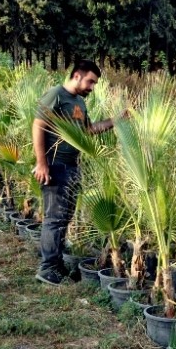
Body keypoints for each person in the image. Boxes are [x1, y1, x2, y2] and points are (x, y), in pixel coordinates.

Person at [32, 59, 120, 285]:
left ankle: (57, 263)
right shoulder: (56, 95)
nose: (92, 86)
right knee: (54, 218)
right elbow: (38, 125)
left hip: (72, 166)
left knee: (64, 217)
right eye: (90, 81)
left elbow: (88, 130)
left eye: (95, 83)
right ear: (77, 76)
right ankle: (47, 268)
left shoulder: (79, 101)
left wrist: (115, 121)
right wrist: (42, 163)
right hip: (55, 165)